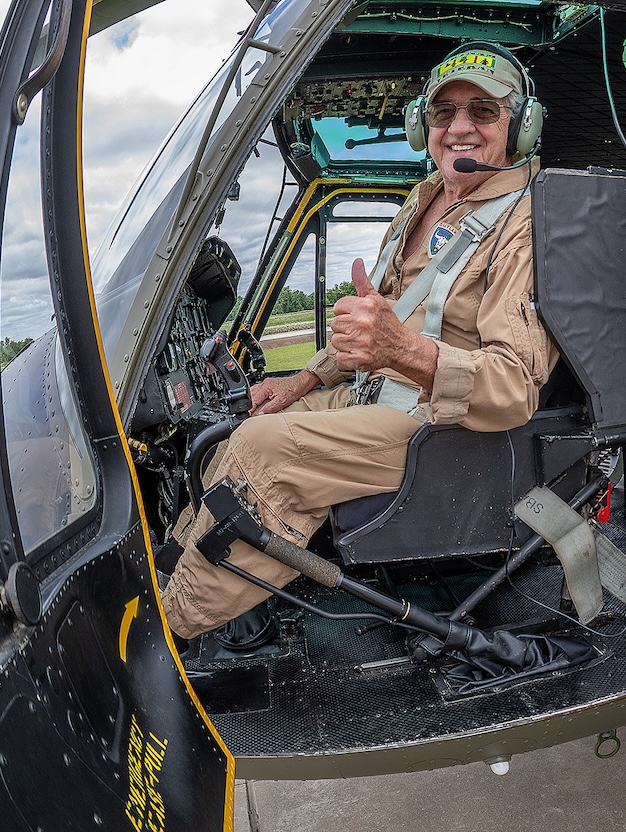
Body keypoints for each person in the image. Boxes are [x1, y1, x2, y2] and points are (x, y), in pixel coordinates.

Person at [161, 44, 556, 640]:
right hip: (375, 394)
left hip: (441, 425)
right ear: (423, 126)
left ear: (520, 125)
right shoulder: (421, 202)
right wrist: (301, 380)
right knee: (243, 427)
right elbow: (375, 327)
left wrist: (402, 352)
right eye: (443, 112)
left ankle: (170, 625)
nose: (459, 128)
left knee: (263, 453)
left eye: (483, 111)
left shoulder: (524, 224)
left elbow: (514, 388)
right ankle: (168, 568)